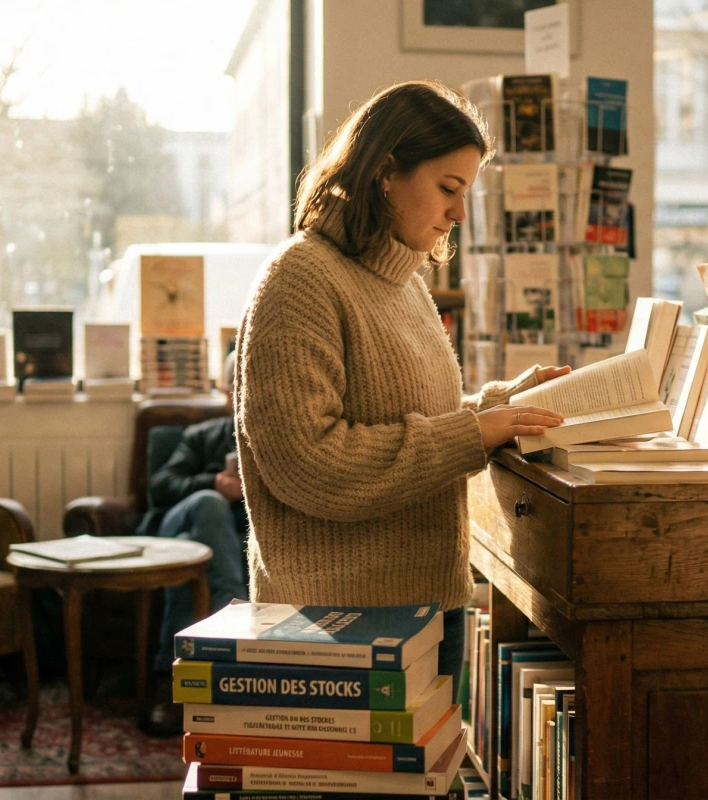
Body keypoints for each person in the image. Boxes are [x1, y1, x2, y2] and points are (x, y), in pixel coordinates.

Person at [234, 81, 567, 704]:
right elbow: (311, 465)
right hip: (339, 628)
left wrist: (501, 405)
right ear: (386, 171)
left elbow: (418, 420)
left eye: (466, 192)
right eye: (448, 188)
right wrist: (474, 432)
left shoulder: (405, 282)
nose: (459, 215)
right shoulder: (299, 279)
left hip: (425, 609)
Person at [142, 351, 250, 735]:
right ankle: (237, 624)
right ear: (225, 390)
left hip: (222, 546)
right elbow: (160, 489)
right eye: (238, 382)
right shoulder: (200, 436)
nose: (246, 391)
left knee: (196, 558)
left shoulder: (276, 444)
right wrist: (213, 484)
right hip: (177, 522)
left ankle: (169, 682)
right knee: (207, 505)